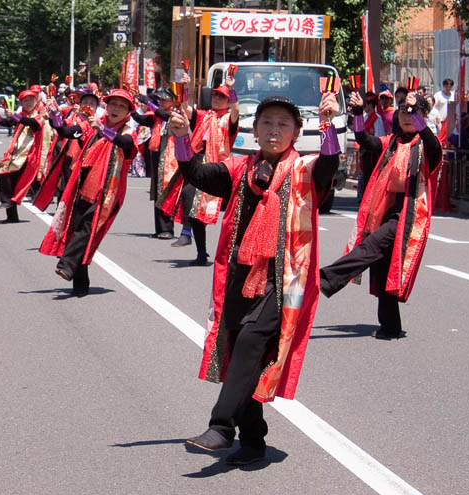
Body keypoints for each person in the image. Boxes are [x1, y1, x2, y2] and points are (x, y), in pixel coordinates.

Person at [170, 93, 340, 465]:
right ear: (255, 129)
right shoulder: (239, 169)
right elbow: (197, 174)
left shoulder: (305, 171)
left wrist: (329, 123)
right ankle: (252, 441)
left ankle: (221, 426)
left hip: (282, 282)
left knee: (249, 342)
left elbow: (330, 163)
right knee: (239, 354)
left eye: (283, 124)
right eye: (267, 123)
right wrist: (182, 139)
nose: (274, 130)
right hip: (238, 274)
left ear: (296, 132)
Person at [319, 91, 440, 340]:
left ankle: (324, 279)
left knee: (369, 248)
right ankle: (390, 326)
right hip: (384, 212)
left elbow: (430, 142)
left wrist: (414, 108)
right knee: (383, 267)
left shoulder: (428, 145)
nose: (407, 117)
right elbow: (364, 140)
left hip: (408, 214)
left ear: (423, 117)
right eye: (404, 112)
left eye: (414, 113)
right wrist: (359, 113)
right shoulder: (391, 142)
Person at [39, 89, 137, 297]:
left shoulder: (128, 131)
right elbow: (67, 132)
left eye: (122, 106)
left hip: (108, 191)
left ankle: (66, 264)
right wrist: (55, 116)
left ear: (128, 111)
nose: (116, 109)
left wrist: (103, 130)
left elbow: (125, 144)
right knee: (77, 230)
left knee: (86, 229)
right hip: (83, 186)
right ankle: (80, 284)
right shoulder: (91, 126)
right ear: (106, 107)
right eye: (113, 104)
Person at [161, 74, 240, 266]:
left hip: (219, 167)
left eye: (222, 97)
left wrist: (232, 89)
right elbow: (186, 109)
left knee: (234, 212)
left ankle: (236, 253)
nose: (217, 98)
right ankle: (199, 250)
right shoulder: (205, 116)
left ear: (228, 101)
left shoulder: (229, 118)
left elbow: (237, 111)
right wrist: (186, 87)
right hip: (198, 160)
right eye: (215, 95)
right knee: (190, 198)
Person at [33, 90, 97, 211]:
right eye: (86, 102)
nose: (89, 105)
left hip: (91, 166)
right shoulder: (76, 119)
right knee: (64, 190)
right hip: (71, 161)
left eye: (92, 103)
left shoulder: (101, 123)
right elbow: (62, 128)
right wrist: (54, 114)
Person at [0, 89, 44, 222]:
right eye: (25, 101)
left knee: (6, 172)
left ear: (36, 101)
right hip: (16, 154)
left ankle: (9, 200)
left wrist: (15, 116)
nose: (28, 102)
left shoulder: (39, 115)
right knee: (10, 182)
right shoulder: (22, 115)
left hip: (29, 156)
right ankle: (12, 216)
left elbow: (33, 124)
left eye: (31, 100)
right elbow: (8, 124)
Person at [131, 88, 178, 238]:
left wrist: (149, 104)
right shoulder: (156, 116)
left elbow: (163, 115)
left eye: (165, 99)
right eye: (160, 100)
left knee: (166, 191)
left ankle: (167, 229)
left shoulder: (175, 114)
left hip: (170, 158)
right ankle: (159, 228)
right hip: (158, 155)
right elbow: (141, 119)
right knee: (157, 193)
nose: (161, 102)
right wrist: (131, 107)